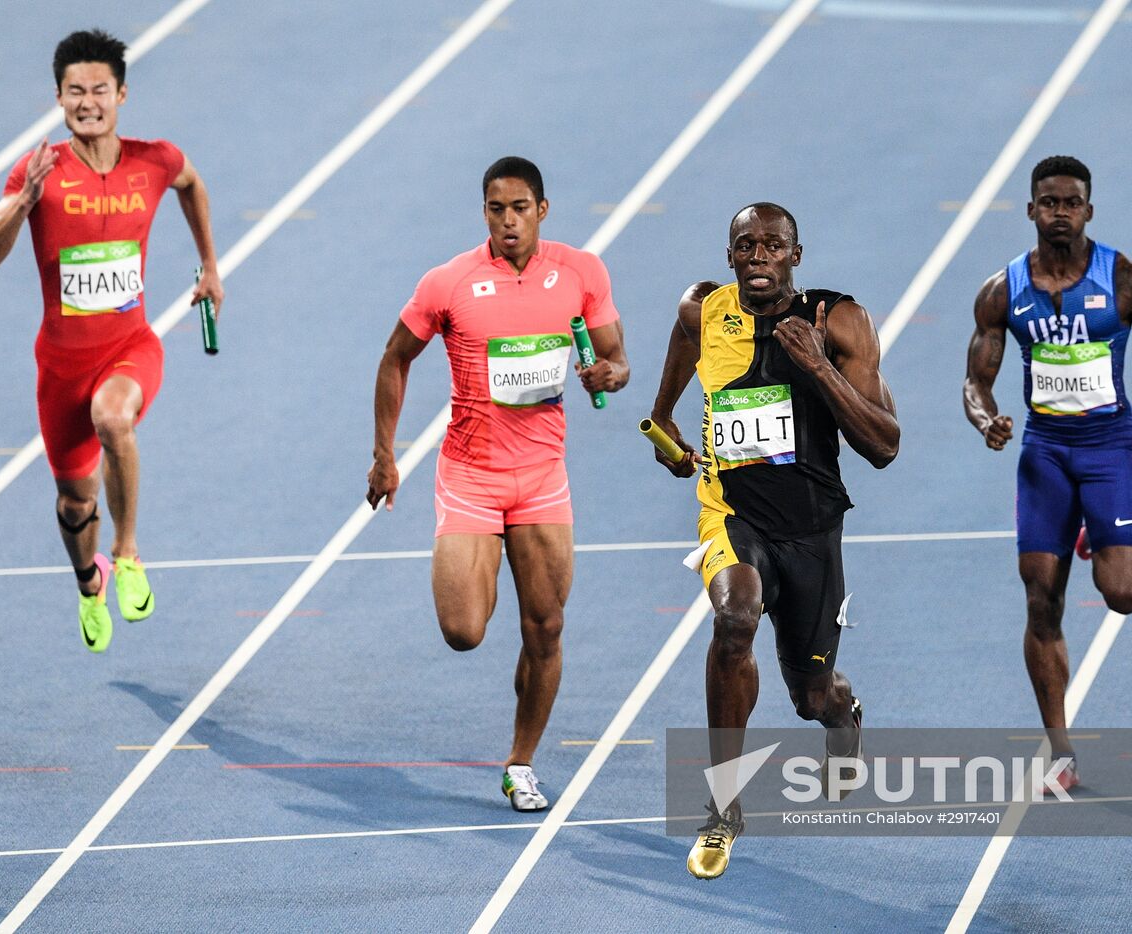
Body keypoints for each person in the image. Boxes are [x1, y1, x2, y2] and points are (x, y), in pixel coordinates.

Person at [366, 157, 629, 811]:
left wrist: (609, 375)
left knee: (545, 627)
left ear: (543, 209)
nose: (507, 221)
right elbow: (395, 357)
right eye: (495, 209)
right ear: (484, 212)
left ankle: (520, 762)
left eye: (519, 208)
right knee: (464, 630)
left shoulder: (581, 273)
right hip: (470, 477)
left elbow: (615, 357)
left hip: (542, 479)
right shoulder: (450, 282)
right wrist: (385, 455)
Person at [963, 155, 1132, 791]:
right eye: (1048, 202)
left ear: (1088, 210)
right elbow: (976, 380)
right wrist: (986, 419)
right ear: (1030, 211)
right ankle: (1059, 749)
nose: (1060, 211)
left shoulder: (1127, 281)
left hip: (1109, 445)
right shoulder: (1002, 292)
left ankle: (1091, 532)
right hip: (1046, 451)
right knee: (1040, 600)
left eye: (1071, 202)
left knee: (1122, 595)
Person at [649, 203, 899, 879]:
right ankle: (724, 807)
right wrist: (664, 416)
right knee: (734, 620)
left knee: (810, 695)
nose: (758, 255)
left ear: (796, 256)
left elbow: (885, 445)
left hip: (813, 531)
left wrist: (818, 368)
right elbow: (683, 338)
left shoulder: (836, 320)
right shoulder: (704, 309)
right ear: (729, 257)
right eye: (745, 246)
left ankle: (842, 719)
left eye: (773, 246)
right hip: (733, 515)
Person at [0, 29, 223, 653]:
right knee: (71, 501)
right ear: (59, 97)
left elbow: (192, 184)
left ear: (122, 93)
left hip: (130, 347)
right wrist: (22, 202)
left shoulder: (155, 159)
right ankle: (90, 581)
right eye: (75, 91)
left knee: (114, 419)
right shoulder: (38, 170)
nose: (89, 101)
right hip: (60, 365)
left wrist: (210, 266)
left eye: (100, 90)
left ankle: (128, 551)